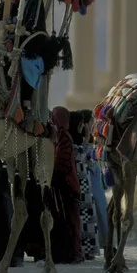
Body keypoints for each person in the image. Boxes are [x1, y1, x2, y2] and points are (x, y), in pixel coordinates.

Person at [49, 106, 83, 264]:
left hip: (66, 184)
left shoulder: (64, 137)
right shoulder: (61, 136)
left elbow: (63, 162)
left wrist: (52, 172)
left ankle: (73, 254)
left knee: (70, 220)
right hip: (66, 183)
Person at [78, 109, 111, 257]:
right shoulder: (80, 140)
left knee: (102, 214)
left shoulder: (93, 138)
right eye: (90, 121)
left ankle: (107, 244)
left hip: (96, 184)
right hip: (87, 184)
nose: (93, 124)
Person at [69, 111, 99, 259]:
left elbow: (91, 163)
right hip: (76, 184)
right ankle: (80, 249)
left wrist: (90, 142)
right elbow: (78, 157)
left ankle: (89, 251)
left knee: (88, 219)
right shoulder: (70, 141)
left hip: (85, 184)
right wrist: (87, 141)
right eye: (81, 124)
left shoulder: (81, 141)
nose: (82, 127)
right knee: (81, 219)